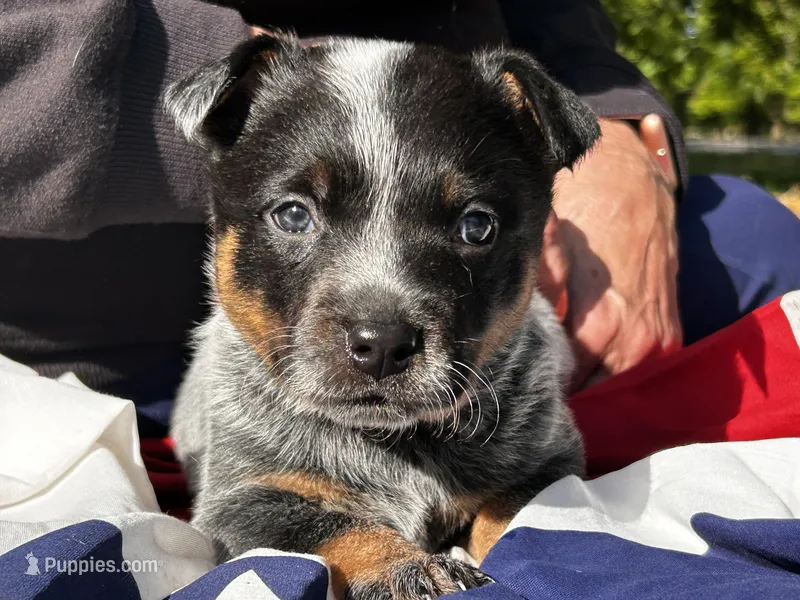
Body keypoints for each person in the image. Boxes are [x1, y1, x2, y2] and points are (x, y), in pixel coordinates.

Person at [1, 0, 798, 436]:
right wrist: (286, 102)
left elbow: (563, 28)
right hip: (73, 349)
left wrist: (617, 137)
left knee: (761, 247)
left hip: (478, 285)